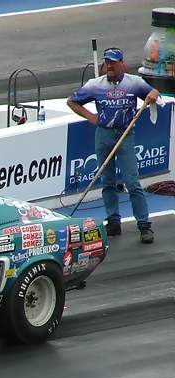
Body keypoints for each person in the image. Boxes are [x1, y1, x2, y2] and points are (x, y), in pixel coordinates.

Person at [67, 47, 160, 244]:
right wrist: (90, 117)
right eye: (107, 62)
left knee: (132, 182)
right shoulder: (95, 85)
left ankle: (144, 225)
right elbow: (72, 102)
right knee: (107, 181)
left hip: (125, 135)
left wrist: (154, 93)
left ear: (121, 64)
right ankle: (113, 221)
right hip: (104, 135)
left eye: (113, 62)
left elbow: (154, 94)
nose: (109, 65)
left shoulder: (134, 82)